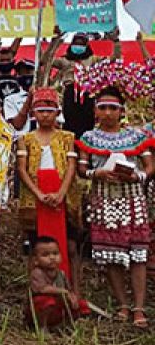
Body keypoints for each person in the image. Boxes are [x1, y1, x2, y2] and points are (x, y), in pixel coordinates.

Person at [75, 85, 152, 328]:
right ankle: (122, 304)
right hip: (103, 199)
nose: (107, 113)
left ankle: (139, 307)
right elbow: (81, 168)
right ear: (96, 111)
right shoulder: (89, 138)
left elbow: (150, 165)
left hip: (133, 199)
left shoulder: (137, 136)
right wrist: (97, 173)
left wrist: (137, 176)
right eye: (103, 108)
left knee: (137, 252)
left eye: (112, 108)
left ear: (121, 111)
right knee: (111, 254)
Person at [16, 88, 79, 287]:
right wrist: (38, 194)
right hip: (35, 194)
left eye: (49, 110)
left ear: (58, 113)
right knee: (35, 246)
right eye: (40, 110)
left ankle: (74, 289)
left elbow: (70, 167)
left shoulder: (67, 138)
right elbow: (22, 169)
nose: (45, 115)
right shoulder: (24, 139)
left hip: (61, 193)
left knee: (70, 246)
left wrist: (61, 193)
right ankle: (35, 290)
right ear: (33, 113)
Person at [27, 236, 90, 330]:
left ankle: (64, 324)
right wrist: (63, 292)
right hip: (41, 309)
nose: (52, 257)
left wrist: (73, 297)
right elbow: (42, 289)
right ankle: (42, 326)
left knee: (82, 305)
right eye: (45, 255)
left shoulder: (61, 274)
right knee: (46, 302)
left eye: (55, 253)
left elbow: (68, 290)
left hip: (58, 307)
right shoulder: (37, 273)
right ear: (36, 260)